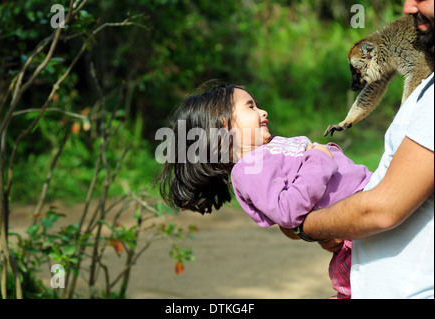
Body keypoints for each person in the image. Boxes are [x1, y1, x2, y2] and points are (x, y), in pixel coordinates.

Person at [156, 82, 372, 299]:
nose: (263, 111)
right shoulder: (248, 168)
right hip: (358, 232)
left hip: (368, 199)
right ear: (223, 126)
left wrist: (326, 154)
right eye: (250, 107)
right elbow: (288, 211)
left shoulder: (269, 151)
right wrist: (321, 158)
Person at [286, 0, 434, 299]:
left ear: (370, 53)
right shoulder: (391, 58)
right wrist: (348, 120)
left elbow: (380, 210)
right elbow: (373, 87)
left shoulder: (424, 92)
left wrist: (307, 225)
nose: (407, 7)